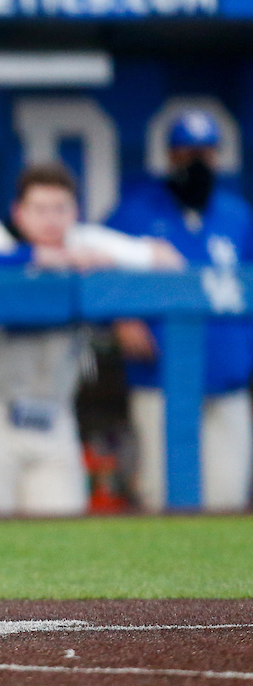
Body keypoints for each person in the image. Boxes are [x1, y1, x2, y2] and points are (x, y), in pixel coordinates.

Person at [0, 163, 184, 515]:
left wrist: (113, 287)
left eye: (61, 209)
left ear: (76, 212)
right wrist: (39, 257)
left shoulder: (85, 242)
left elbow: (166, 260)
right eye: (40, 210)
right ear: (18, 212)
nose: (51, 220)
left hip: (55, 419)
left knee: (65, 535)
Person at [107, 110, 253, 512]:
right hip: (161, 380)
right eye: (186, 153)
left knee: (227, 499)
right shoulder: (136, 211)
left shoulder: (237, 215)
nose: (197, 164)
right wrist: (122, 316)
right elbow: (96, 264)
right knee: (161, 496)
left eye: (206, 154)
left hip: (228, 381)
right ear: (170, 157)